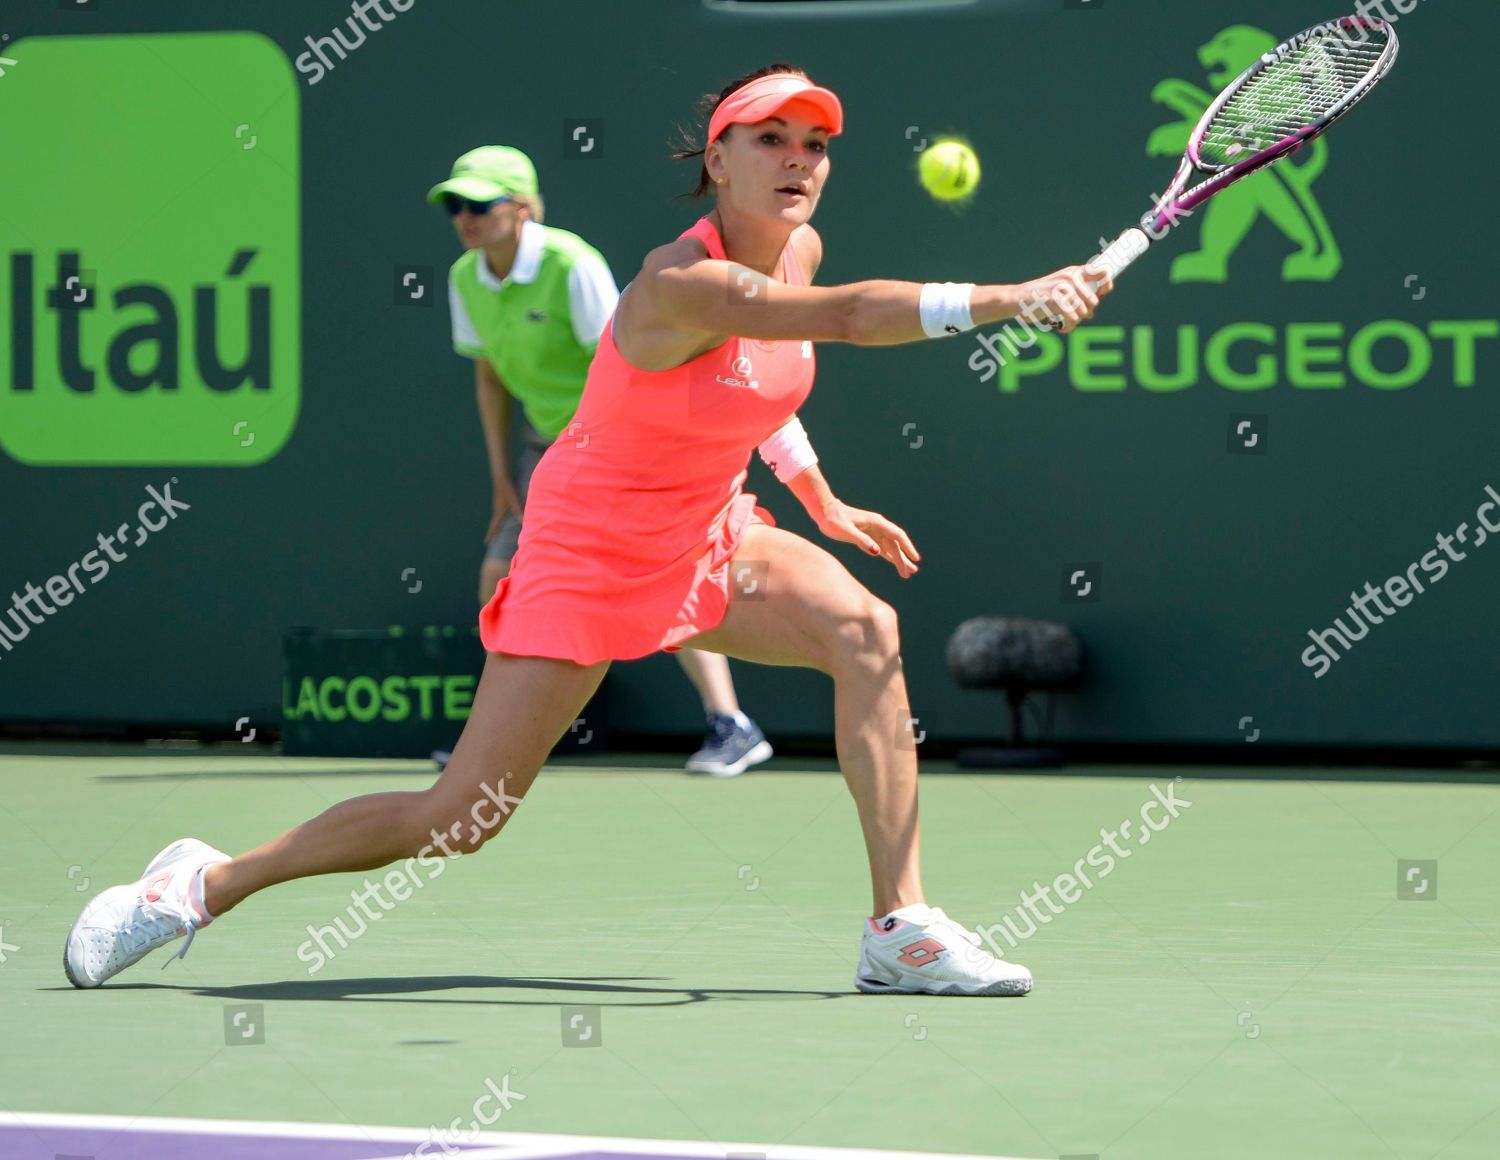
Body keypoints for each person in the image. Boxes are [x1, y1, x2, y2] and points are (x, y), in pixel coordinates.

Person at [64, 65, 1111, 996]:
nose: (799, 160)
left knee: (866, 630)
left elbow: (761, 381)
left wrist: (818, 494)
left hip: (705, 530)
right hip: (587, 551)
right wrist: (1012, 297)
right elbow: (839, 320)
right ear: (719, 160)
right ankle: (202, 883)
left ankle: (900, 928)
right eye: (771, 139)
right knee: (460, 818)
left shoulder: (800, 252)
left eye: (815, 144)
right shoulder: (677, 281)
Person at [427, 146, 773, 778]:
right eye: (454, 205)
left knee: (653, 578)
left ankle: (731, 723)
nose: (464, 218)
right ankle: (496, 736)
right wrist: (502, 475)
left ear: (522, 208)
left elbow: (624, 360)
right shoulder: (463, 278)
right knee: (500, 574)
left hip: (617, 443)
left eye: (479, 203)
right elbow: (489, 376)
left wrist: (613, 454)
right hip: (546, 447)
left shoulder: (573, 265)